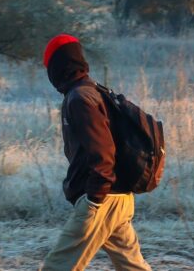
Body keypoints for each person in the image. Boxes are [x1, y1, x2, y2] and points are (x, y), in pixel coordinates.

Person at [41, 34, 151, 271]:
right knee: (133, 267)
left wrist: (94, 200)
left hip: (102, 199)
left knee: (56, 267)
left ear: (58, 66)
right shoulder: (95, 91)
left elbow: (102, 149)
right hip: (120, 198)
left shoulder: (79, 98)